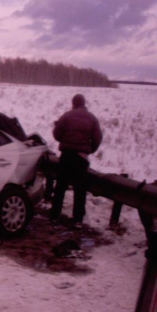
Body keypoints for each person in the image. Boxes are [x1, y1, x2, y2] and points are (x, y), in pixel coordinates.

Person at [50, 94, 103, 226]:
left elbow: (56, 134)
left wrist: (65, 140)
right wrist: (90, 149)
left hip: (66, 156)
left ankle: (54, 215)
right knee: (80, 189)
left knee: (60, 186)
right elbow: (98, 138)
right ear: (84, 103)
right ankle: (78, 219)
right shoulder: (92, 119)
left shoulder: (66, 116)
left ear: (73, 103)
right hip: (81, 158)